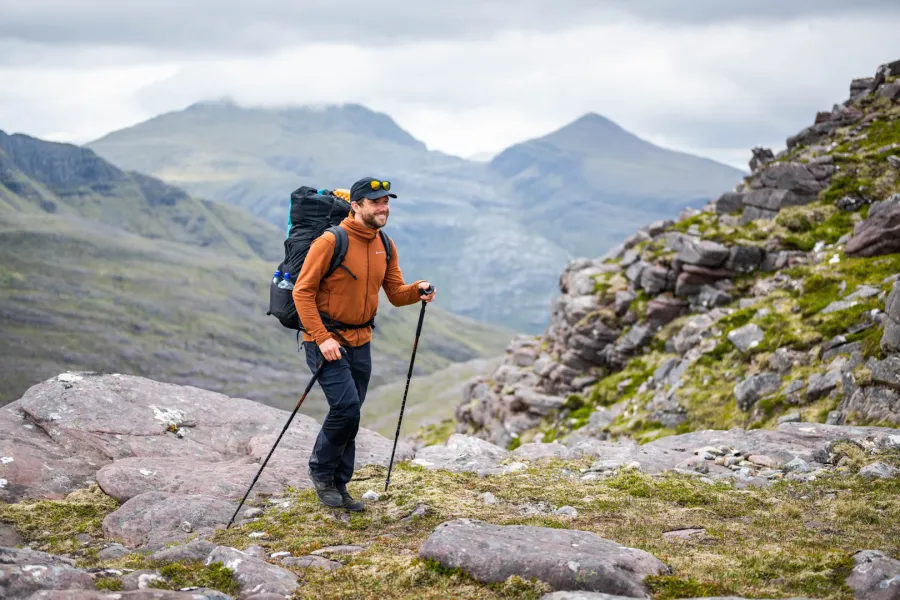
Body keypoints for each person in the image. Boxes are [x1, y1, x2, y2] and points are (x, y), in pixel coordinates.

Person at [291, 176, 436, 510]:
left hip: (361, 341)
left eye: (386, 202)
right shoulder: (331, 241)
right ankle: (321, 473)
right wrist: (322, 338)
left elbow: (396, 294)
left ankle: (340, 485)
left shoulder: (385, 243)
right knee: (345, 408)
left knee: (352, 414)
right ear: (356, 206)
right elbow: (302, 292)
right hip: (326, 341)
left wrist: (418, 289)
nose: (383, 208)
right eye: (376, 202)